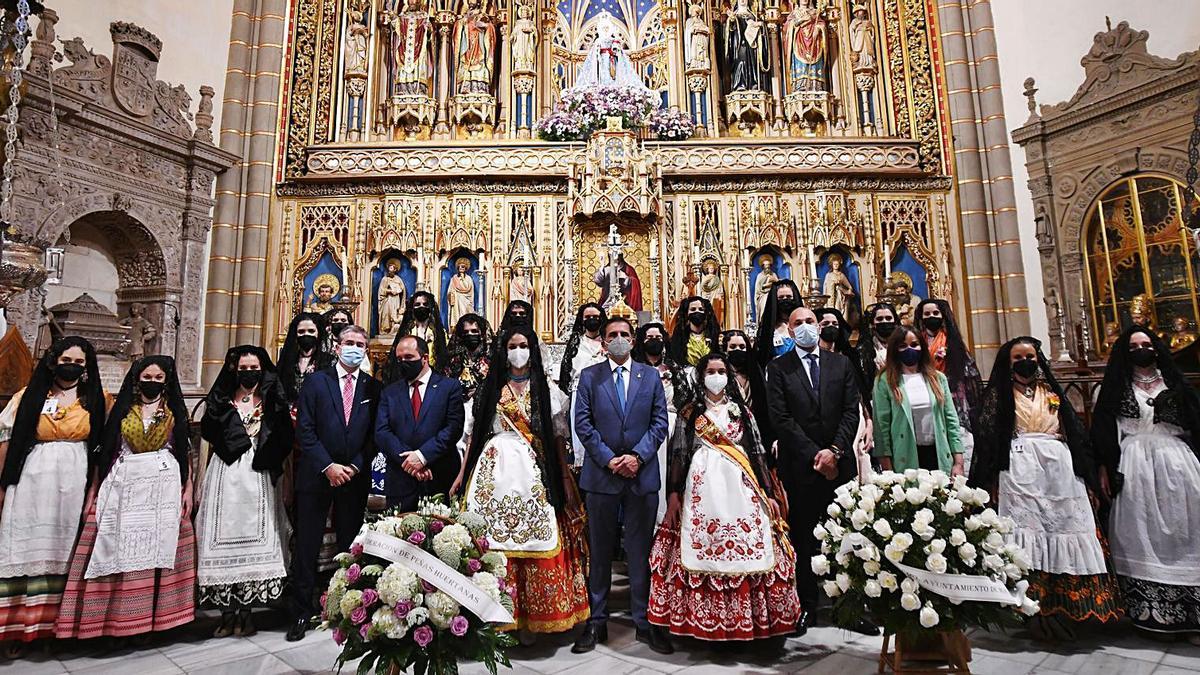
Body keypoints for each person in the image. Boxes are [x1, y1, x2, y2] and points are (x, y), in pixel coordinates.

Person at [968, 337, 1121, 641]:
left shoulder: (1051, 392)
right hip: (1020, 472)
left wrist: (1085, 474)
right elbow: (988, 441)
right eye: (1017, 357)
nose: (1026, 361)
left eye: (1030, 355)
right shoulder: (999, 395)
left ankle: (1069, 607)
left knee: (1065, 531)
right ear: (1007, 364)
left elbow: (1073, 433)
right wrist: (991, 480)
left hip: (1059, 472)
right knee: (1027, 539)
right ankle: (1035, 611)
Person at [649, 353, 800, 641]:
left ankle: (749, 622)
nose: (716, 377)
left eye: (721, 371)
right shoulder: (689, 413)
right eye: (711, 371)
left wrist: (768, 493)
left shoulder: (742, 412)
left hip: (742, 489)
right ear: (701, 376)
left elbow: (757, 453)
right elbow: (678, 456)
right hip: (702, 489)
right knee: (705, 547)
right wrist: (673, 493)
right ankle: (707, 623)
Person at [456, 326, 589, 642]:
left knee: (537, 538)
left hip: (535, 471)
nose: (519, 351)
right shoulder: (489, 390)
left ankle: (536, 615)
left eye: (524, 345)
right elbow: (473, 436)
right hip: (494, 471)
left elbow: (557, 439)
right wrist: (462, 474)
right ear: (504, 350)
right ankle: (497, 615)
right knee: (492, 539)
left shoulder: (549, 391)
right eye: (513, 345)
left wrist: (566, 478)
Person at [55, 356, 196, 641]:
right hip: (123, 482)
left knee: (158, 551)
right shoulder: (122, 410)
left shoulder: (173, 411)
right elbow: (106, 450)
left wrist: (189, 488)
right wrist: (94, 491)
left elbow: (185, 451)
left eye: (158, 379)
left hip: (163, 485)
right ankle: (112, 622)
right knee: (112, 546)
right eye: (148, 377)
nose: (152, 383)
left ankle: (152, 623)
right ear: (136, 379)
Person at [765, 306, 875, 636]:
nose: (805, 327)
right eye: (797, 323)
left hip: (839, 463)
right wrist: (816, 454)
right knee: (803, 536)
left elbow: (849, 412)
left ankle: (849, 607)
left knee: (846, 534)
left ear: (820, 325)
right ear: (789, 328)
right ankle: (807, 606)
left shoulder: (840, 364)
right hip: (800, 466)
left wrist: (835, 451)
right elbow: (780, 419)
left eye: (809, 321)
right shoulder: (778, 367)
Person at [0, 337, 108, 653]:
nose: (71, 366)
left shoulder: (97, 399)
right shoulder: (29, 396)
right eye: (66, 359)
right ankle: (18, 629)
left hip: (75, 479)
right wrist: (3, 483)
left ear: (86, 368)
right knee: (25, 549)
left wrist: (95, 486)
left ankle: (56, 628)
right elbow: (7, 438)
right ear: (53, 361)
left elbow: (101, 444)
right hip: (33, 479)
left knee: (65, 551)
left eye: (79, 362)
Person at [572, 317, 671, 655]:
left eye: (624, 335)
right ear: (603, 341)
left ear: (633, 340)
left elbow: (660, 422)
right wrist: (610, 459)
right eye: (611, 334)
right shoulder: (590, 376)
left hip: (641, 476)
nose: (617, 339)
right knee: (599, 552)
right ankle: (596, 620)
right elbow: (583, 424)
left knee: (640, 552)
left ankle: (645, 621)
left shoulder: (650, 376)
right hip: (602, 476)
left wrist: (637, 458)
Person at [1094, 327, 1200, 640]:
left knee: (1186, 531)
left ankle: (1192, 613)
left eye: (1147, 344)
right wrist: (1104, 466)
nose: (1141, 349)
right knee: (1141, 531)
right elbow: (1104, 433)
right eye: (1134, 346)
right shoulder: (1114, 388)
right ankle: (1150, 615)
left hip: (1177, 464)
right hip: (1134, 465)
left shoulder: (1176, 384)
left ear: (1157, 348)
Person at [287, 325, 381, 642]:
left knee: (348, 546)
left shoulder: (372, 387)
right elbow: (306, 429)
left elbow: (373, 435)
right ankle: (301, 611)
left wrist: (354, 465)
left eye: (360, 343)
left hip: (353, 477)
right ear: (337, 346)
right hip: (317, 474)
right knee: (308, 544)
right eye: (349, 343)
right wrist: (328, 466)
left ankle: (345, 609)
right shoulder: (316, 382)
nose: (354, 347)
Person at [198, 346, 293, 638]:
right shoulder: (223, 399)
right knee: (222, 533)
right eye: (244, 368)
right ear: (234, 370)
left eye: (254, 368)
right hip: (226, 471)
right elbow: (209, 429)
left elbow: (283, 435)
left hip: (259, 473)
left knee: (256, 536)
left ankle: (247, 612)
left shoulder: (270, 399)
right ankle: (226, 613)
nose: (249, 372)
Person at [375, 335, 465, 509]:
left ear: (424, 358)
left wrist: (423, 456)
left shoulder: (449, 387)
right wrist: (410, 462)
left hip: (439, 475)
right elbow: (382, 432)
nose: (403, 362)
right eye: (399, 359)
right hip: (401, 479)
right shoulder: (390, 392)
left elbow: (453, 428)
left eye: (409, 357)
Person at [871, 327, 964, 475]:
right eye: (903, 346)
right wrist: (888, 471)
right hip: (905, 455)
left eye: (914, 344)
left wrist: (958, 462)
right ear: (895, 349)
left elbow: (951, 420)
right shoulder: (885, 381)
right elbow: (882, 429)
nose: (909, 349)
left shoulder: (938, 378)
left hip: (937, 453)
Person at [634, 322, 689, 522]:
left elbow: (684, 400)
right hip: (644, 427)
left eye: (658, 337)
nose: (654, 341)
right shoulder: (635, 367)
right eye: (649, 338)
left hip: (673, 426)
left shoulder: (674, 368)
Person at [914, 300, 982, 449]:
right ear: (921, 318)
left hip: (953, 394)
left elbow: (969, 373)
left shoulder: (952, 342)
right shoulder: (916, 342)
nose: (931, 316)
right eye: (927, 314)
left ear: (943, 316)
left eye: (935, 313)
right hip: (925, 394)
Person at [818, 307, 874, 477]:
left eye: (835, 323)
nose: (831, 327)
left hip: (852, 414)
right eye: (826, 323)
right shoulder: (812, 358)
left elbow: (861, 391)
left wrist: (869, 422)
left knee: (858, 455)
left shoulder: (848, 356)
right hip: (824, 417)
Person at [558, 304, 608, 467]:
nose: (592, 320)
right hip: (579, 392)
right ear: (582, 319)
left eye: (595, 317)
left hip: (605, 393)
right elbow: (567, 372)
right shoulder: (576, 342)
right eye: (588, 317)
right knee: (581, 432)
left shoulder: (608, 342)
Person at [278, 313, 333, 405]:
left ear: (319, 333)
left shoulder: (330, 361)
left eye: (311, 331)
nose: (306, 334)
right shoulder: (288, 360)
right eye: (301, 331)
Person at [392, 291, 449, 372]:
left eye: (425, 304)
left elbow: (443, 356)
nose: (421, 307)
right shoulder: (406, 332)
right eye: (417, 304)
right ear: (412, 308)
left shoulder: (438, 332)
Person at [442, 313, 493, 402]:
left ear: (482, 334)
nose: (470, 335)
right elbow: (446, 382)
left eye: (474, 331)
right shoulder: (454, 358)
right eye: (466, 332)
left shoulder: (491, 356)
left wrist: (479, 392)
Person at [754, 279, 801, 368]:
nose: (785, 299)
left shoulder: (803, 323)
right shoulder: (768, 326)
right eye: (781, 297)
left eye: (788, 297)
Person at [668, 296, 720, 368]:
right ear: (687, 313)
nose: (697, 311)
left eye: (701, 309)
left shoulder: (713, 336)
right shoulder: (680, 337)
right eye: (693, 309)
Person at [859, 302, 898, 388]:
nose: (884, 321)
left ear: (895, 322)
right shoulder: (864, 350)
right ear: (872, 324)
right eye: (880, 319)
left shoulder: (902, 345)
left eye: (888, 318)